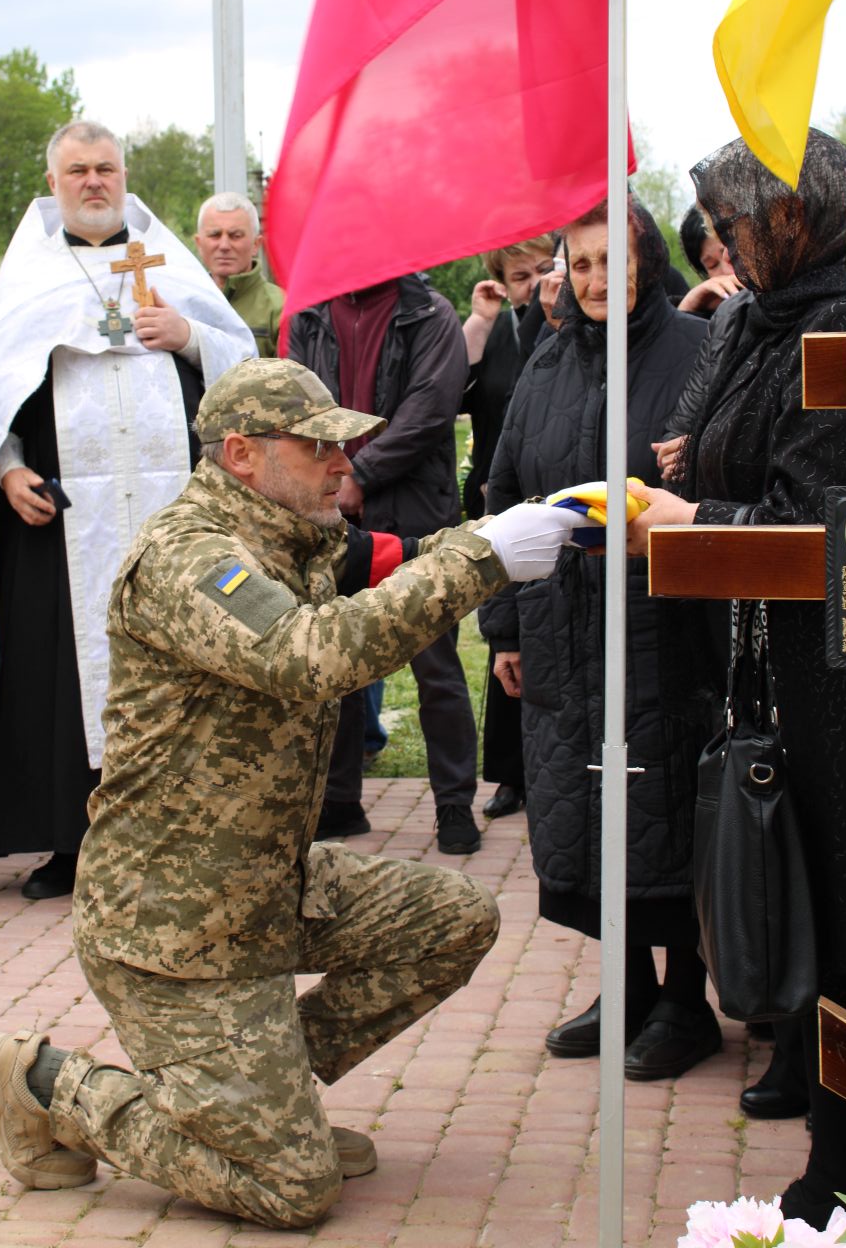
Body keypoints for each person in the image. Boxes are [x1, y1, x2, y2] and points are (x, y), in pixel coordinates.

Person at [0, 355, 578, 1228]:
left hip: (261, 888)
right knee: (289, 1189)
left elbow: (377, 561)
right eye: (319, 448)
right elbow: (310, 655)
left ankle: (261, 1103)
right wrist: (480, 564)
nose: (344, 464)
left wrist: (526, 524)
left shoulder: (287, 534)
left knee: (455, 921)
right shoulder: (190, 557)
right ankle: (48, 1083)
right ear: (243, 455)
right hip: (168, 930)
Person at [626, 129, 846, 1228]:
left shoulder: (842, 320)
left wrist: (689, 521)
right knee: (810, 905)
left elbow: (821, 535)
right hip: (781, 674)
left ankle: (843, 1172)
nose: (718, 245)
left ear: (796, 217)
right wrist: (697, 463)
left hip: (842, 682)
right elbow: (730, 435)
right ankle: (834, 1143)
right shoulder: (772, 312)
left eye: (734, 224)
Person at [0, 121, 256, 901]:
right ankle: (69, 846)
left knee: (180, 672)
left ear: (124, 174)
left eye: (105, 168)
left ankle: (182, 842)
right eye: (76, 170)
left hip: (169, 519)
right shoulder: (27, 281)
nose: (92, 182)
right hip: (61, 517)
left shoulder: (168, 265)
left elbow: (247, 370)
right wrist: (8, 475)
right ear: (53, 183)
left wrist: (186, 336)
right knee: (58, 679)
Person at [480, 197, 717, 1080]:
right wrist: (502, 622)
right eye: (578, 264)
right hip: (561, 630)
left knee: (669, 808)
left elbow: (722, 480)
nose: (593, 279)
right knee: (591, 807)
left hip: (665, 627)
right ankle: (626, 989)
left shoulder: (696, 352)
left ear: (648, 261)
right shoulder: (548, 359)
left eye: (610, 259)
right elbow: (504, 490)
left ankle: (687, 1002)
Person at [290, 273, 484, 854]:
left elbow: (431, 409)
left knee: (436, 664)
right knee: (336, 655)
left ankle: (454, 806)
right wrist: (334, 478)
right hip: (331, 510)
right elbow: (295, 405)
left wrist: (363, 474)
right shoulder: (309, 315)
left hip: (414, 508)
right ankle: (341, 802)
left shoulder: (430, 314)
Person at [461, 232, 556, 821]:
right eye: (518, 276)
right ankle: (510, 774)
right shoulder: (493, 326)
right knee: (505, 631)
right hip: (499, 494)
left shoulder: (571, 321)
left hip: (555, 491)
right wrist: (479, 320)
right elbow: (457, 391)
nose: (533, 286)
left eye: (542, 270)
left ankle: (554, 765)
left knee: (551, 624)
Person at [195, 191, 284, 356]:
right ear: (199, 244)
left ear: (256, 244)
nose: (224, 245)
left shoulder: (281, 308)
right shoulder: (185, 303)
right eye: (215, 235)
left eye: (235, 236)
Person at [675, 202, 745, 317]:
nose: (727, 271)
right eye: (712, 265)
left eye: (733, 251)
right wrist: (688, 307)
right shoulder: (714, 320)